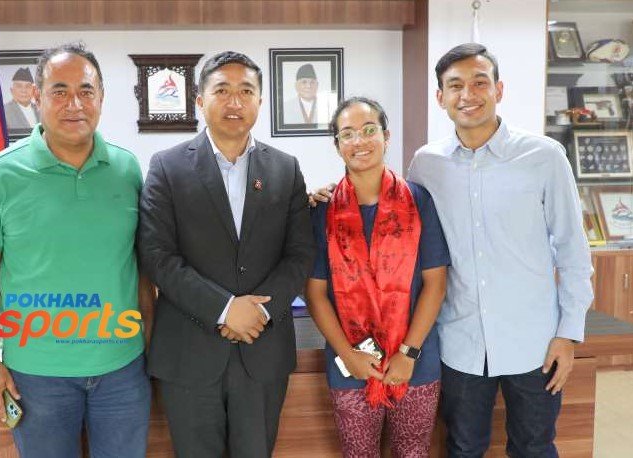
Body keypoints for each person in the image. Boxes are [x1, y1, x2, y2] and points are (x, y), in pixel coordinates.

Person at [407, 43, 594, 457]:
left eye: (480, 82)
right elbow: (404, 233)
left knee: (534, 448)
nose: (467, 95)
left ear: (499, 89)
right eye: (455, 85)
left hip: (535, 343)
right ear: (440, 97)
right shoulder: (425, 164)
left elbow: (572, 250)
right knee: (463, 448)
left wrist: (568, 334)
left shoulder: (544, 156)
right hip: (460, 341)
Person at [0, 43, 152, 457]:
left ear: (101, 97)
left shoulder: (127, 169)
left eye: (86, 91)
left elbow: (141, 268)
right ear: (37, 96)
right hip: (36, 376)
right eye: (59, 91)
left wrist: (150, 346)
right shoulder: (0, 175)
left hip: (122, 371)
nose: (75, 104)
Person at [138, 51, 314, 457]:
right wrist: (224, 309)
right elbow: (157, 255)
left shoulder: (285, 169)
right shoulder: (167, 167)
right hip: (189, 351)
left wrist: (258, 311)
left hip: (262, 350)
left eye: (246, 91)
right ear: (200, 100)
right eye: (222, 90)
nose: (235, 101)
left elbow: (300, 254)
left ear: (259, 101)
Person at [306, 97, 449, 457]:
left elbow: (436, 283)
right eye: (348, 134)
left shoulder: (418, 200)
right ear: (337, 145)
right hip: (351, 364)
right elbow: (315, 294)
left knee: (412, 451)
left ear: (386, 136)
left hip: (415, 361)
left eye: (369, 130)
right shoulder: (322, 211)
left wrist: (408, 353)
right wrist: (348, 355)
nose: (360, 141)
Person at [3, 67, 39, 131]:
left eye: (28, 86)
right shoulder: (4, 111)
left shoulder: (41, 110)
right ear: (12, 91)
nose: (24, 90)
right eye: (19, 86)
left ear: (33, 90)